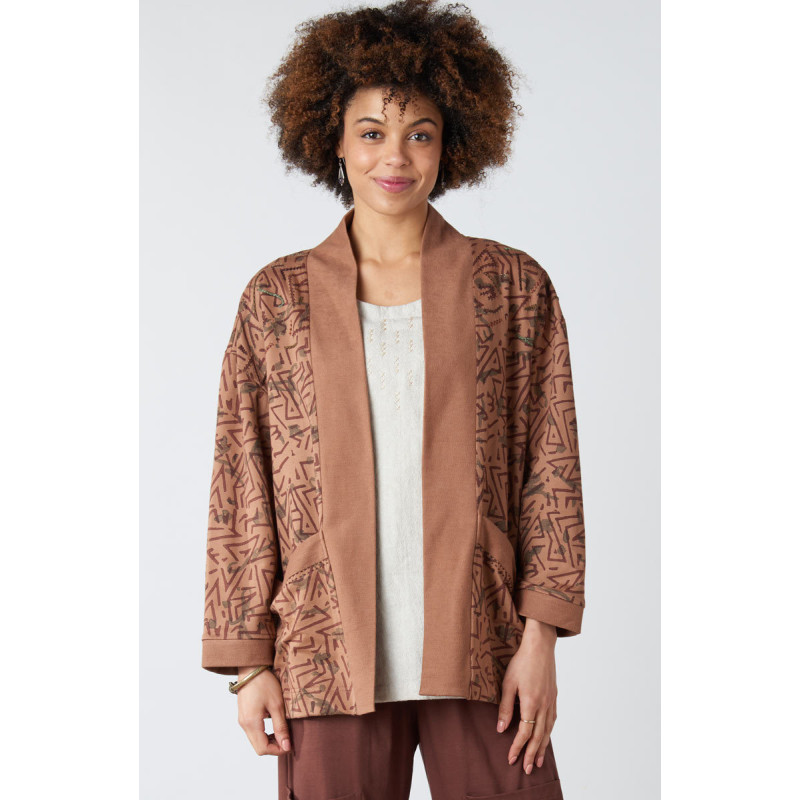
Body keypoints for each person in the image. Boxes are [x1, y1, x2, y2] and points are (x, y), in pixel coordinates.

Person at [200, 1, 586, 798]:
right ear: (334, 140)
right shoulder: (276, 300)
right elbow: (242, 482)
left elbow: (552, 469)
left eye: (421, 133)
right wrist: (249, 664)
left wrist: (541, 638)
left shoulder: (512, 289)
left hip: (485, 643)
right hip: (322, 652)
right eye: (372, 131)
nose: (395, 157)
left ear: (452, 143)